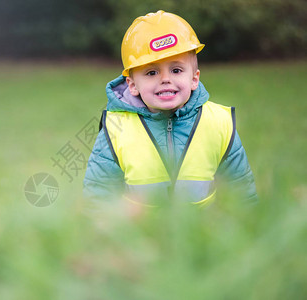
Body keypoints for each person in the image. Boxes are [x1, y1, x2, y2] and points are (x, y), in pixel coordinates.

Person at [83, 10, 256, 210]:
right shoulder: (116, 129)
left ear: (194, 78)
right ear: (132, 85)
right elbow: (98, 195)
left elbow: (241, 192)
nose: (165, 79)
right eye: (151, 72)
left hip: (205, 235)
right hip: (141, 237)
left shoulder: (219, 123)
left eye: (176, 70)